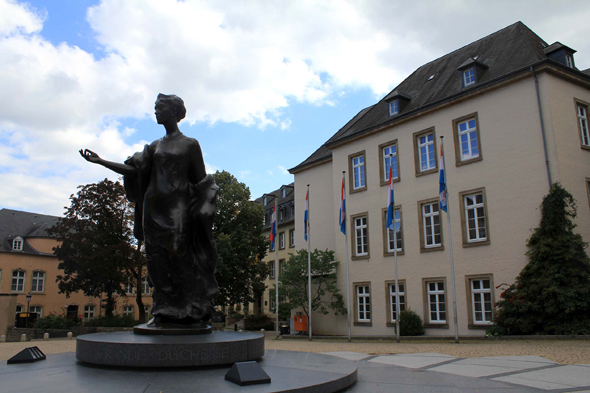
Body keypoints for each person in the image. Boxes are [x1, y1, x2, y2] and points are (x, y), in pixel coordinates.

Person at [80, 94, 219, 327]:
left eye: (159, 108)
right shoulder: (154, 147)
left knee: (179, 255)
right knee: (156, 260)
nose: (155, 112)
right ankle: (163, 311)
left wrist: (205, 205)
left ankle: (190, 308)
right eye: (155, 108)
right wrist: (101, 161)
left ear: (174, 112)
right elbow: (133, 171)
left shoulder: (190, 144)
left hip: (178, 209)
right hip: (153, 209)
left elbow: (201, 180)